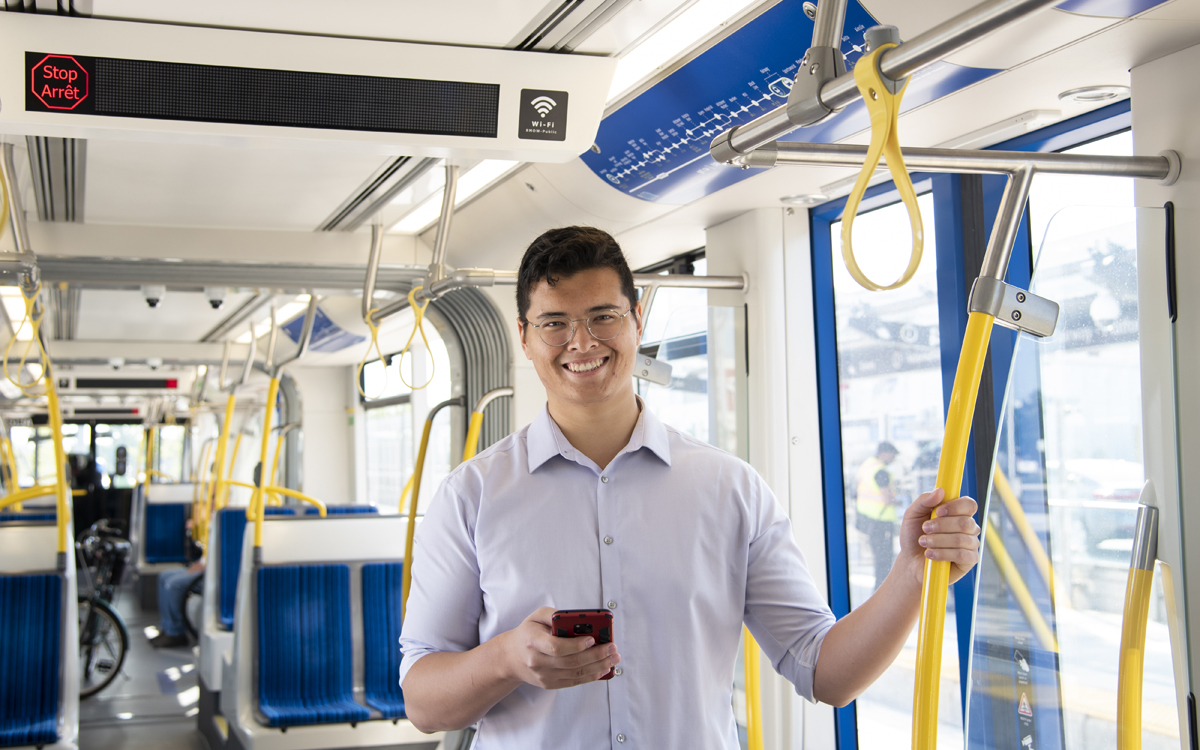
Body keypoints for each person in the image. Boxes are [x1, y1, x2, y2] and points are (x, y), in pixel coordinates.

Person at [399, 226, 980, 748]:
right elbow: (424, 704)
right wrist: (505, 658)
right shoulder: (471, 496)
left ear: (636, 322)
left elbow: (825, 672)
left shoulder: (729, 489)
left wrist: (911, 572)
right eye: (555, 323)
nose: (581, 342)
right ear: (525, 337)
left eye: (603, 316)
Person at [150, 519, 205, 648]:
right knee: (163, 576)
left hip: (207, 573)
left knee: (174, 585)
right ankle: (167, 627)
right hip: (201, 567)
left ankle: (176, 633)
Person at [855, 441, 901, 591]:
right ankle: (882, 593)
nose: (893, 459)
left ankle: (879, 592)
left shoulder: (867, 466)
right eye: (892, 456)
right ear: (884, 453)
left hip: (867, 519)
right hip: (880, 522)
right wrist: (900, 502)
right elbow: (887, 498)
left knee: (879, 561)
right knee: (884, 562)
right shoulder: (881, 471)